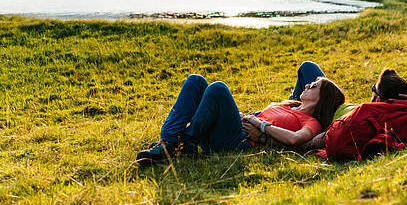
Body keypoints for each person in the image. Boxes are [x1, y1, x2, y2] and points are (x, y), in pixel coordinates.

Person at [136, 68, 345, 165]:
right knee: (196, 81)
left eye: (314, 85)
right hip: (235, 126)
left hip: (239, 140)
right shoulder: (290, 104)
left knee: (218, 88)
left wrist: (261, 126)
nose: (308, 84)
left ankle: (182, 143)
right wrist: (248, 116)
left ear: (321, 99)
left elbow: (295, 140)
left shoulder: (312, 122)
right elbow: (307, 69)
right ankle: (170, 140)